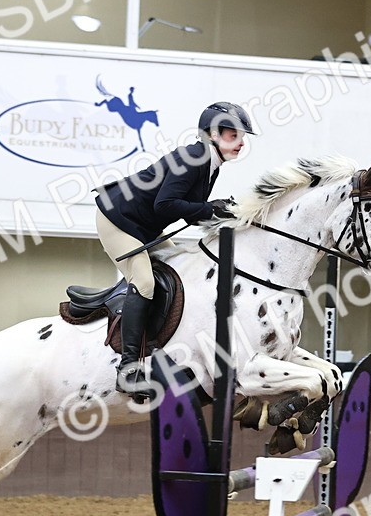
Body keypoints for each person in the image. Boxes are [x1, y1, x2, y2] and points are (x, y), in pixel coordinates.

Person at [95, 101, 256, 396]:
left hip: (145, 226)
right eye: (234, 135)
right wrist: (211, 208)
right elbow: (166, 205)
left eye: (241, 136)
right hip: (117, 219)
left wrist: (222, 212)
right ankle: (128, 370)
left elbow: (191, 213)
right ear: (213, 134)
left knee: (181, 265)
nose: (241, 142)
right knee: (144, 281)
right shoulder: (194, 158)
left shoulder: (209, 163)